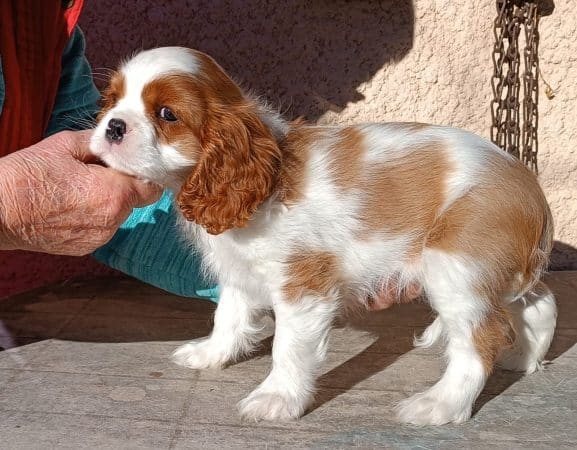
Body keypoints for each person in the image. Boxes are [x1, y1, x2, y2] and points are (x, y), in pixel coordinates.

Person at [0, 1, 405, 309]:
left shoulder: (43, 15)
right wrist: (8, 207)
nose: (333, 103)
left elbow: (106, 187)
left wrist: (320, 259)